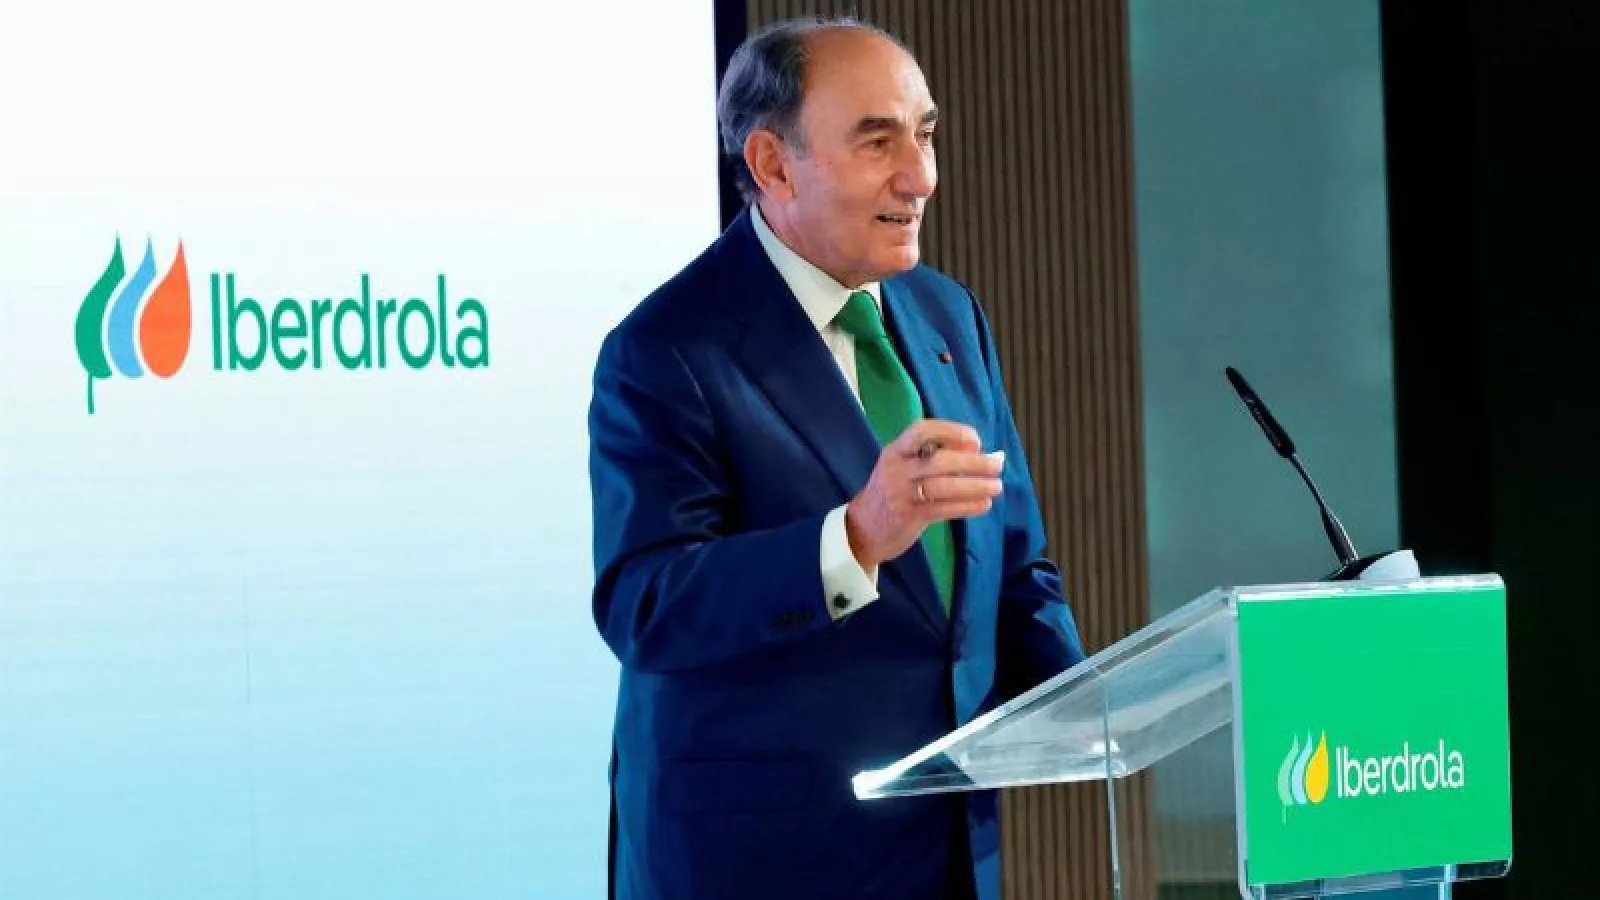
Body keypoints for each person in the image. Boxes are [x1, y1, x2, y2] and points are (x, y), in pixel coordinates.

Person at [588, 16, 1085, 900]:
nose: (921, 176)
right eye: (877, 141)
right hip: (759, 862)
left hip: (944, 851)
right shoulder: (666, 349)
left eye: (925, 133)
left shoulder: (947, 314)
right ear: (773, 165)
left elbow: (1014, 565)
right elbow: (647, 605)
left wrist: (1092, 706)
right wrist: (855, 537)